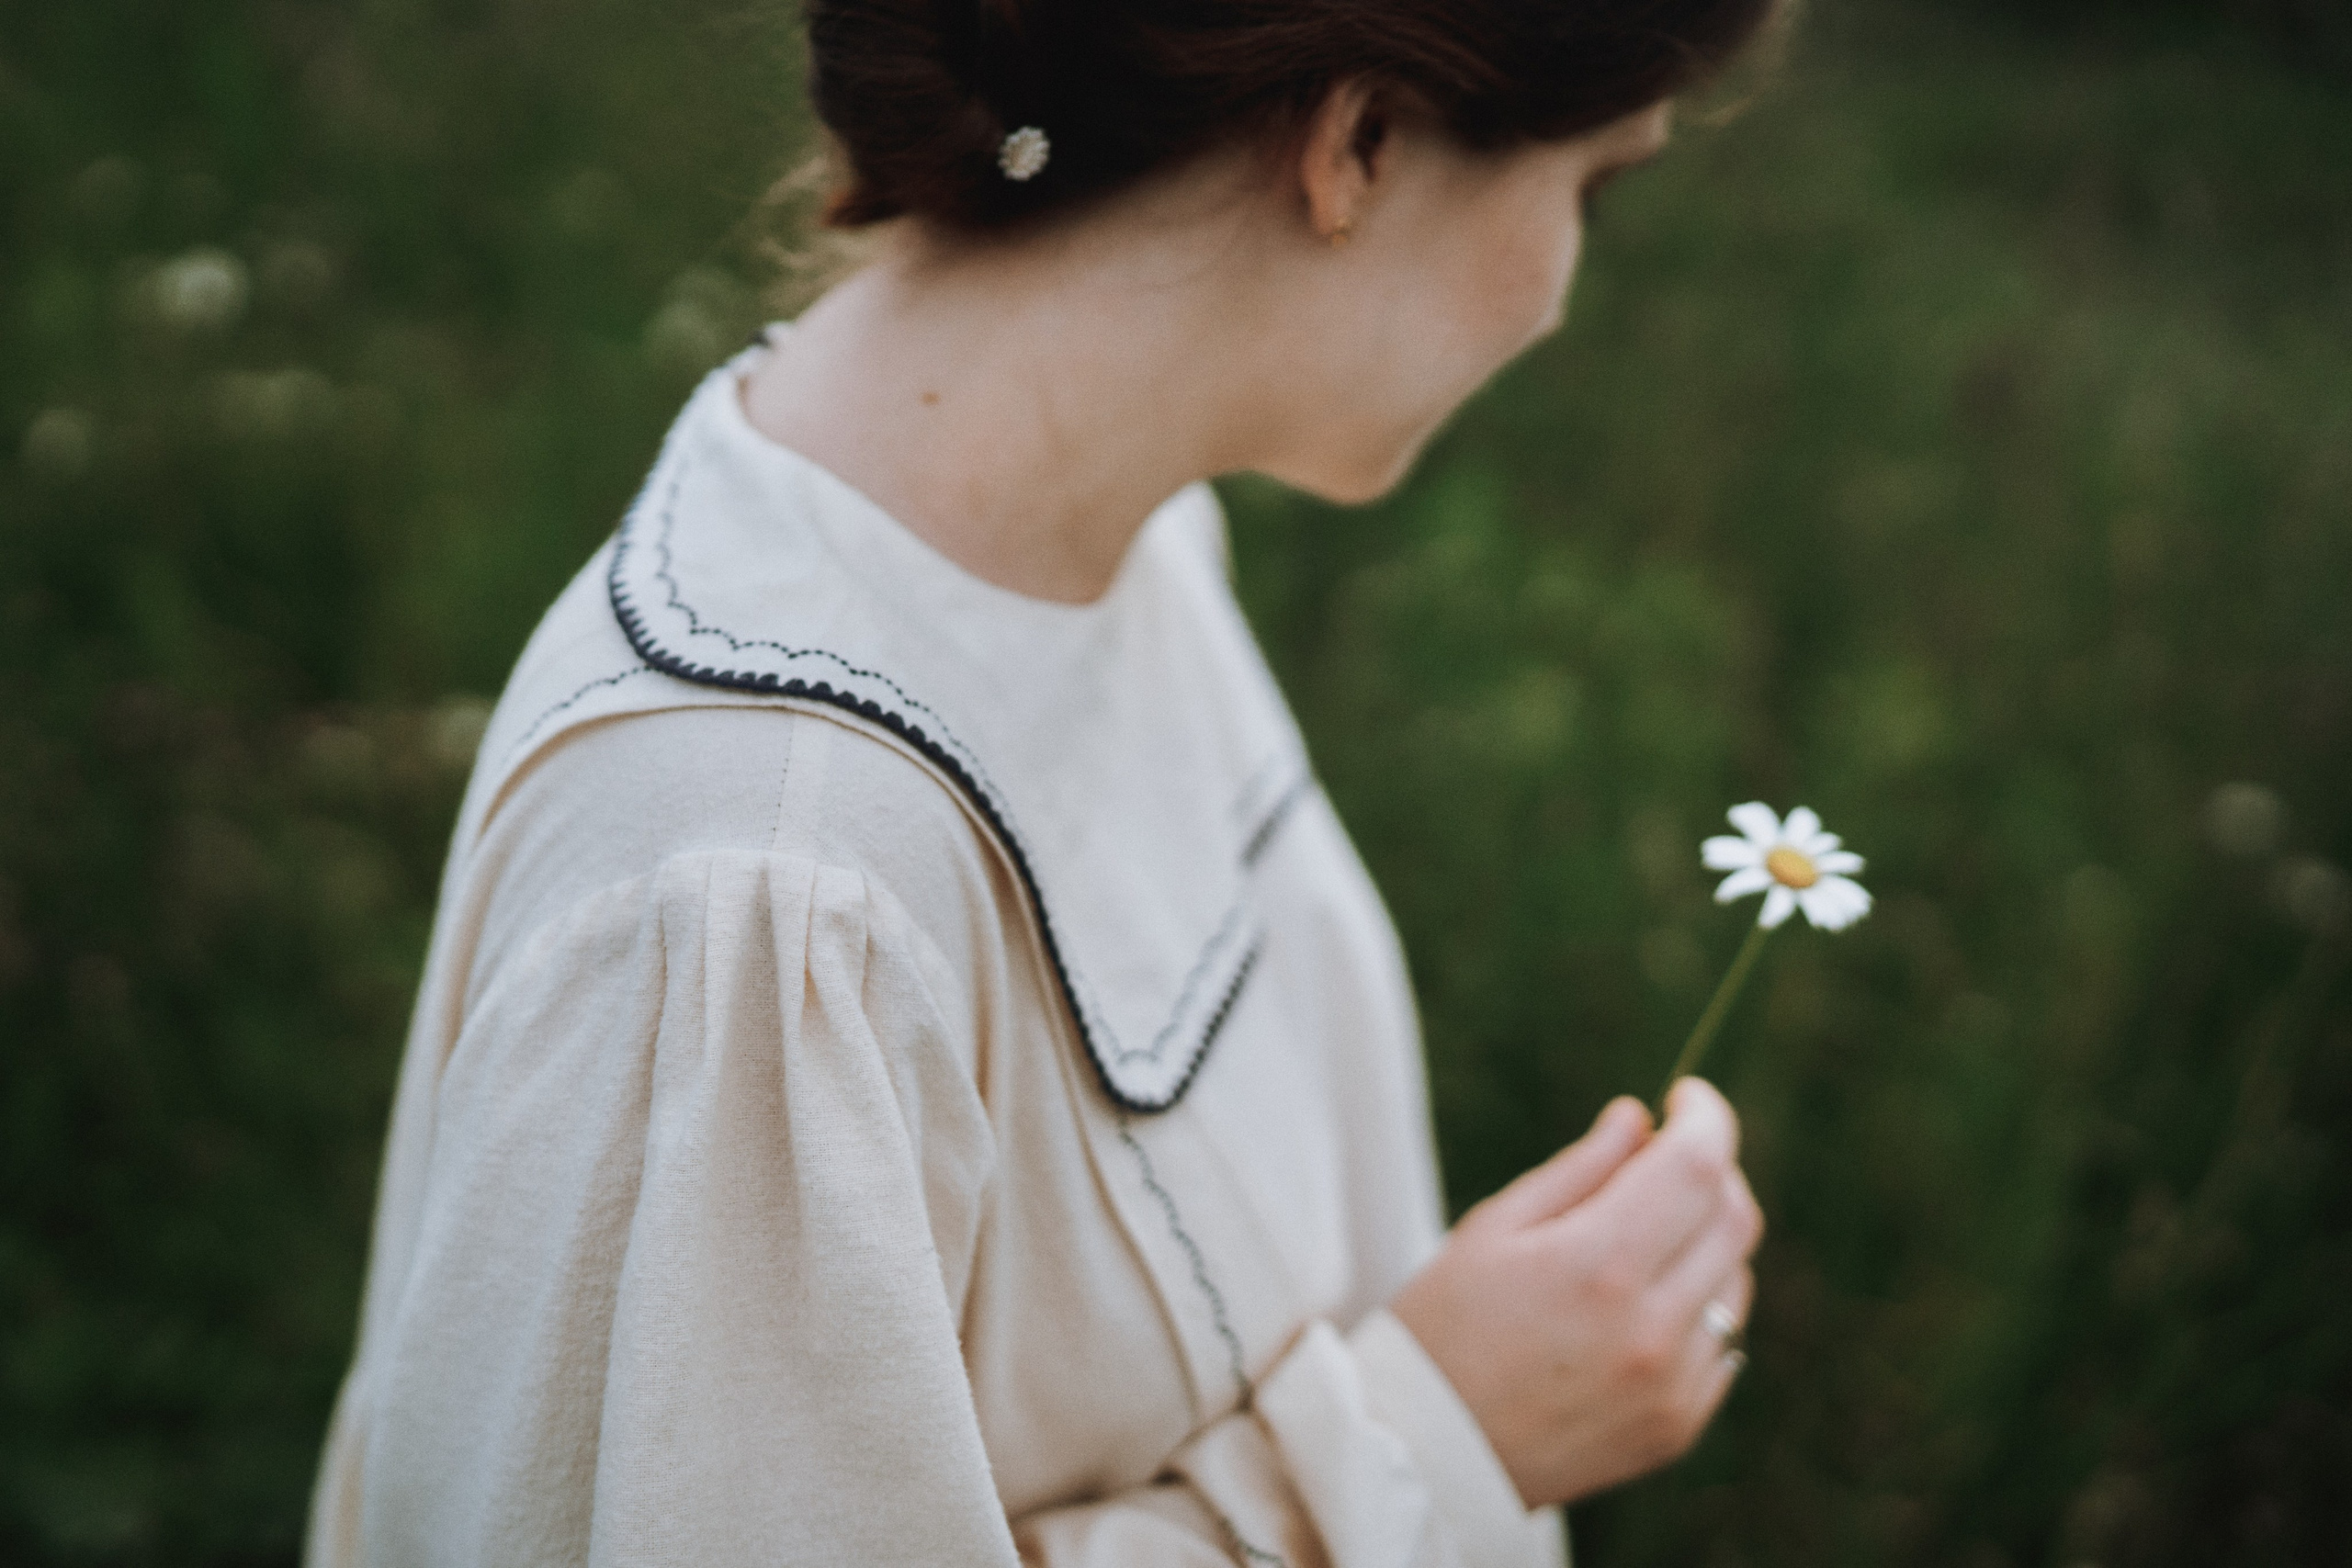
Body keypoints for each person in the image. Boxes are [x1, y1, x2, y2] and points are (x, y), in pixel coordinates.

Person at [307, 1, 1780, 1562]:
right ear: (1362, 141)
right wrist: (1434, 1447)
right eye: (1591, 186)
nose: (1561, 295)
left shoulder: (1114, 547)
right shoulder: (761, 871)